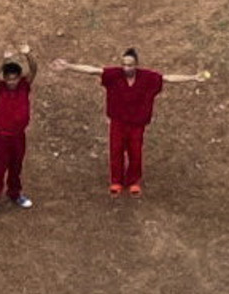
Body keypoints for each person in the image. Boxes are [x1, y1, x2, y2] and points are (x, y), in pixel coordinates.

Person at [51, 50, 212, 195]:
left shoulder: (148, 77)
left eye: (130, 65)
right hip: (118, 121)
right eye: (124, 65)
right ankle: (116, 181)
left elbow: (168, 78)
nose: (126, 68)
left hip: (137, 123)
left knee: (136, 152)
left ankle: (133, 181)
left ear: (136, 65)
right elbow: (93, 70)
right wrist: (69, 66)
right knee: (116, 150)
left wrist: (192, 77)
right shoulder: (115, 75)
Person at [0, 45, 37, 215]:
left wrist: (28, 54)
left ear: (18, 78)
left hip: (19, 136)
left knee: (16, 167)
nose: (12, 82)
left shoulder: (24, 86)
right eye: (9, 79)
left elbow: (34, 69)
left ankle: (15, 193)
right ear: (5, 79)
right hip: (2, 137)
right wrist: (4, 60)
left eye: (15, 78)